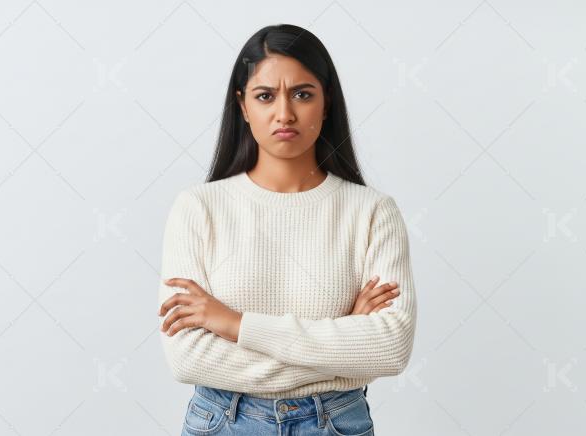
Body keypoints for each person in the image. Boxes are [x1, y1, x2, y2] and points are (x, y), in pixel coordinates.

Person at [157, 23, 417, 436]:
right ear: (243, 106)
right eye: (265, 96)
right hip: (223, 423)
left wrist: (235, 324)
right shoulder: (198, 209)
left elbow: (390, 348)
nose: (285, 114)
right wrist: (344, 345)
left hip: (335, 424)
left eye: (302, 94)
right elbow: (187, 358)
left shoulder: (372, 213)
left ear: (326, 102)